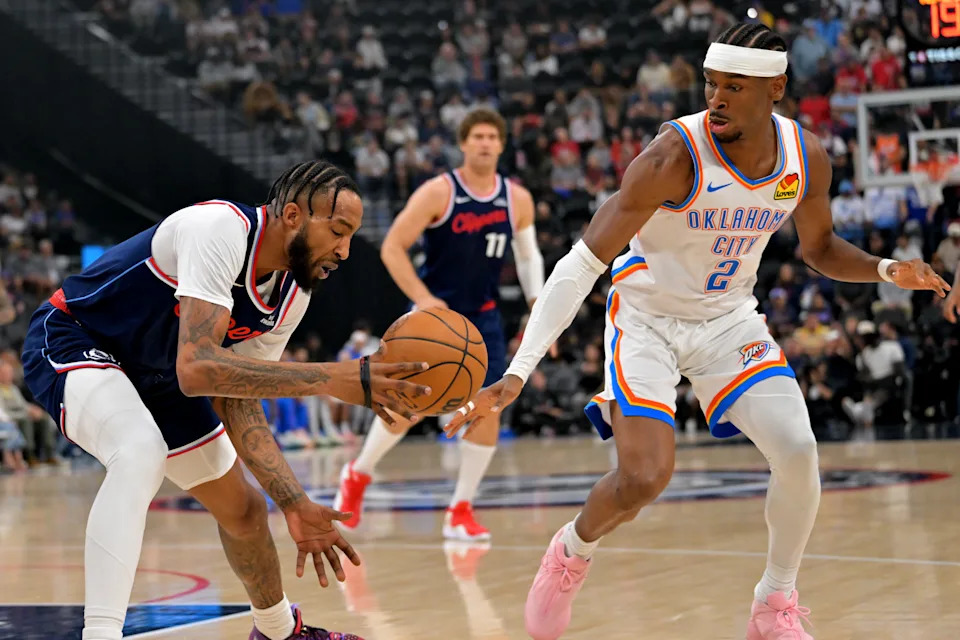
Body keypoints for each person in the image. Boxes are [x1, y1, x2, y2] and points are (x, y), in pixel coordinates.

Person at [446, 24, 949, 640]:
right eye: (712, 84)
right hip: (647, 318)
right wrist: (518, 371)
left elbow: (818, 248)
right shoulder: (672, 157)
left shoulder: (805, 156)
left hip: (729, 319)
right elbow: (579, 264)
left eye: (735, 88)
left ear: (776, 91)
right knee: (643, 478)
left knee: (797, 452)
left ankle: (774, 605)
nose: (717, 98)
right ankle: (570, 551)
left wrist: (887, 270)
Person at [20, 161, 433, 640]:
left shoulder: (292, 292)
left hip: (159, 376)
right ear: (294, 215)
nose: (343, 251)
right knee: (139, 453)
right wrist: (332, 378)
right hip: (77, 337)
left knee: (246, 511)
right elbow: (197, 369)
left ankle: (278, 632)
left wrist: (294, 502)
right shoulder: (220, 230)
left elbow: (238, 395)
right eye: (338, 231)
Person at [334, 108, 545, 541]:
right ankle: (357, 474)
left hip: (483, 318)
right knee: (405, 407)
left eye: (492, 136)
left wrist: (536, 301)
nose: (485, 143)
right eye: (478, 136)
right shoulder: (438, 192)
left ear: (501, 145)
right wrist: (424, 298)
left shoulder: (516, 198)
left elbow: (527, 256)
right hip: (432, 318)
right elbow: (392, 246)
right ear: (464, 143)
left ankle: (461, 509)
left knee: (487, 410)